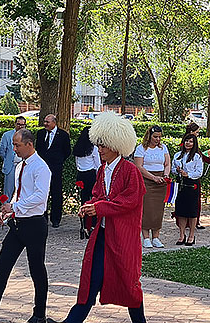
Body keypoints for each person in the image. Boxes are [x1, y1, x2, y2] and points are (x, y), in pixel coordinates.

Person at [60, 113, 147, 323]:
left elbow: (129, 201)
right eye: (98, 145)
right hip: (102, 235)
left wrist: (98, 207)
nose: (99, 150)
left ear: (117, 145)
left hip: (123, 238)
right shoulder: (102, 170)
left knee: (129, 283)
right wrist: (89, 205)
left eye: (103, 146)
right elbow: (98, 195)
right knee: (91, 280)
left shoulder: (130, 171)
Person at [0, 129, 52, 323]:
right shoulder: (20, 165)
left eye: (17, 145)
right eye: (13, 145)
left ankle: (39, 315)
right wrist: (9, 212)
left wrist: (14, 206)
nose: (14, 149)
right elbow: (18, 193)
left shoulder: (41, 167)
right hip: (18, 224)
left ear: (29, 144)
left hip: (35, 225)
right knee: (2, 266)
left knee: (36, 269)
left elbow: (40, 197)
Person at [135, 126, 171, 247]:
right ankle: (145, 237)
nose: (158, 139)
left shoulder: (163, 148)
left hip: (160, 181)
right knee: (147, 209)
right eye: (155, 137)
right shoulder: (141, 149)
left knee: (158, 209)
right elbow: (139, 166)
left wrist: (165, 175)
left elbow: (167, 163)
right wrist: (153, 177)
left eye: (159, 137)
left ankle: (156, 236)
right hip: (147, 181)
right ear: (149, 136)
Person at [37, 114, 72, 228]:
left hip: (56, 168)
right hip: (42, 169)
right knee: (43, 192)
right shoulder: (41, 133)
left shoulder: (63, 135)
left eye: (48, 122)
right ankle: (43, 217)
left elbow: (67, 151)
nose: (45, 124)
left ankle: (56, 219)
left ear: (54, 123)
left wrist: (59, 160)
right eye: (45, 121)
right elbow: (38, 149)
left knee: (56, 193)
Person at [171, 132, 204, 246]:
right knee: (181, 211)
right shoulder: (177, 155)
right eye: (186, 141)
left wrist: (188, 174)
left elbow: (199, 172)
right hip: (180, 184)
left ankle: (191, 235)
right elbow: (172, 169)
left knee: (191, 211)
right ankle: (181, 235)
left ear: (194, 143)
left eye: (191, 141)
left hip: (191, 185)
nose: (188, 143)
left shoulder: (197, 156)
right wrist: (178, 170)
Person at [72, 127, 102, 239]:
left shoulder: (77, 148)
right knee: (93, 200)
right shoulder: (93, 148)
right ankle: (93, 225)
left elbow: (77, 163)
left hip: (80, 175)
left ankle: (83, 226)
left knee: (83, 201)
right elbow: (98, 165)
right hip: (91, 175)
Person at [1, 116, 28, 202]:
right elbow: (2, 151)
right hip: (11, 167)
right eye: (18, 124)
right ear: (15, 124)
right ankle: (4, 211)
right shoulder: (7, 135)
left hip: (24, 166)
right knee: (7, 192)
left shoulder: (27, 136)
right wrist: (8, 160)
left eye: (22, 125)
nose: (20, 126)